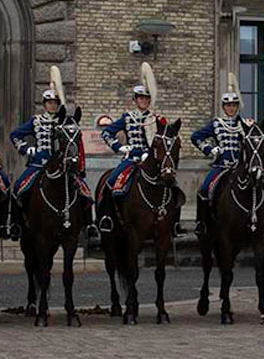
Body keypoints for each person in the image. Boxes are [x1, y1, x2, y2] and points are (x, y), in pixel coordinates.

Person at [9, 67, 95, 239]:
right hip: (38, 165)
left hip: (62, 166)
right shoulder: (36, 121)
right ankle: (15, 225)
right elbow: (15, 135)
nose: (52, 105)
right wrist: (28, 149)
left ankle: (89, 225)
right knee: (19, 188)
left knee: (85, 190)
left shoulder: (65, 122)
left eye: (55, 103)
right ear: (44, 104)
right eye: (49, 103)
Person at [190, 76, 264, 235]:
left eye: (234, 105)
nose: (231, 109)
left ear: (238, 107)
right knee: (205, 189)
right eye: (228, 106)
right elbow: (195, 137)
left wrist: (252, 128)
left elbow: (257, 141)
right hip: (222, 166)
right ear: (223, 107)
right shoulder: (217, 124)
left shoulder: (245, 125)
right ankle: (201, 223)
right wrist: (210, 150)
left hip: (243, 167)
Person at [99, 63, 161, 232]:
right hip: (131, 160)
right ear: (135, 100)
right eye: (141, 98)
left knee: (172, 187)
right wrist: (120, 147)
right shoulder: (127, 118)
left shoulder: (157, 119)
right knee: (111, 182)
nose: (144, 101)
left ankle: (173, 225)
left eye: (147, 99)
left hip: (151, 161)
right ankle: (106, 218)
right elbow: (106, 133)